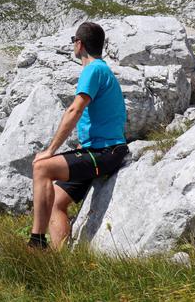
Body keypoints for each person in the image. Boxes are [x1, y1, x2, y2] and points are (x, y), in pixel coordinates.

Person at [27, 21, 129, 250]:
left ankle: (36, 241)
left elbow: (75, 109)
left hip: (105, 152)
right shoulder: (101, 70)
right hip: (98, 150)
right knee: (54, 200)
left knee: (42, 167)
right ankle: (59, 259)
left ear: (79, 44)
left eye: (73, 41)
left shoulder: (93, 69)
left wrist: (50, 150)